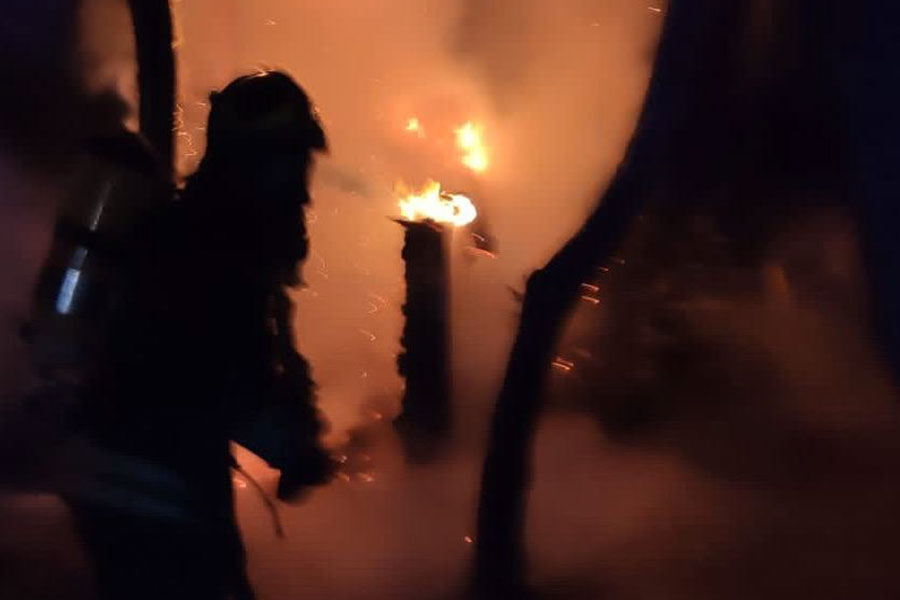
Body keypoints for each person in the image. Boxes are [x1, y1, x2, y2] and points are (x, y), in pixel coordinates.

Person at [66, 71, 334, 600]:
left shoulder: (199, 233)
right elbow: (217, 385)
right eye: (293, 164)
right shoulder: (212, 251)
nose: (303, 190)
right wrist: (294, 449)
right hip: (150, 488)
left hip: (128, 480)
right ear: (256, 165)